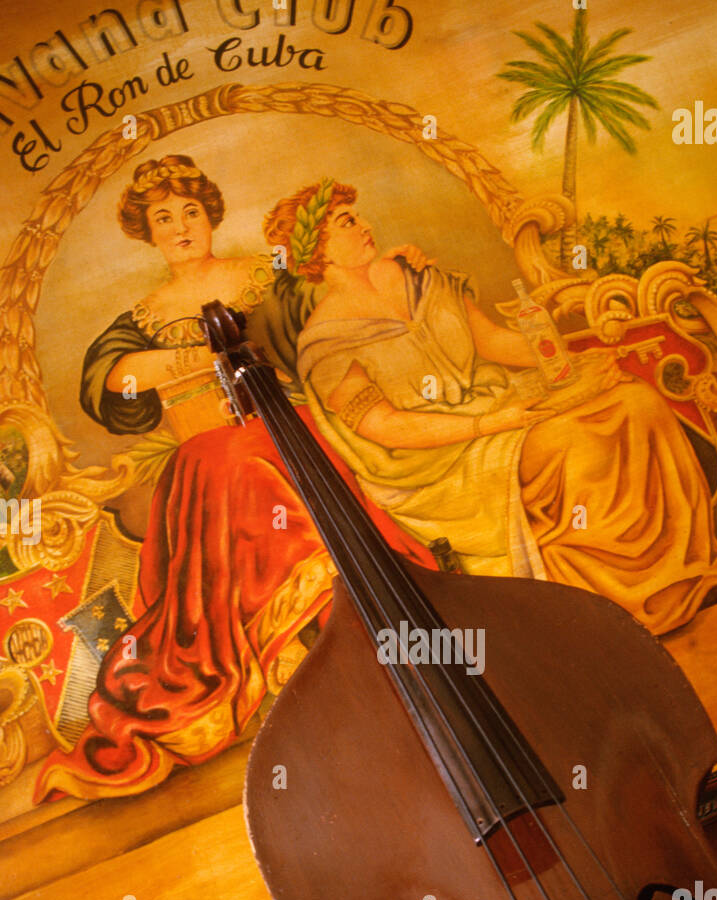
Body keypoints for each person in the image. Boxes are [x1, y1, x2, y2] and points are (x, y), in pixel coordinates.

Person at [35, 157, 430, 801]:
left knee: (267, 461)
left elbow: (334, 305)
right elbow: (112, 377)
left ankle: (342, 636)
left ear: (209, 216)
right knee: (239, 466)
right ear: (149, 233)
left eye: (190, 211)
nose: (181, 226)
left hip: (288, 431)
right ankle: (306, 649)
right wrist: (202, 354)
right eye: (164, 218)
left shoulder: (262, 277)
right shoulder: (138, 320)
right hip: (209, 461)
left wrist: (388, 271)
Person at [263, 178, 717, 633]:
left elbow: (491, 341)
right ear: (317, 251)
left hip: (501, 403)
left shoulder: (417, 275)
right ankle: (617, 605)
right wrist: (494, 423)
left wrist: (568, 356)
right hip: (436, 462)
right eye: (346, 222)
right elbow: (386, 427)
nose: (364, 225)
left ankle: (672, 576)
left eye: (358, 215)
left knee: (637, 402)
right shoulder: (324, 343)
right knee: (577, 445)